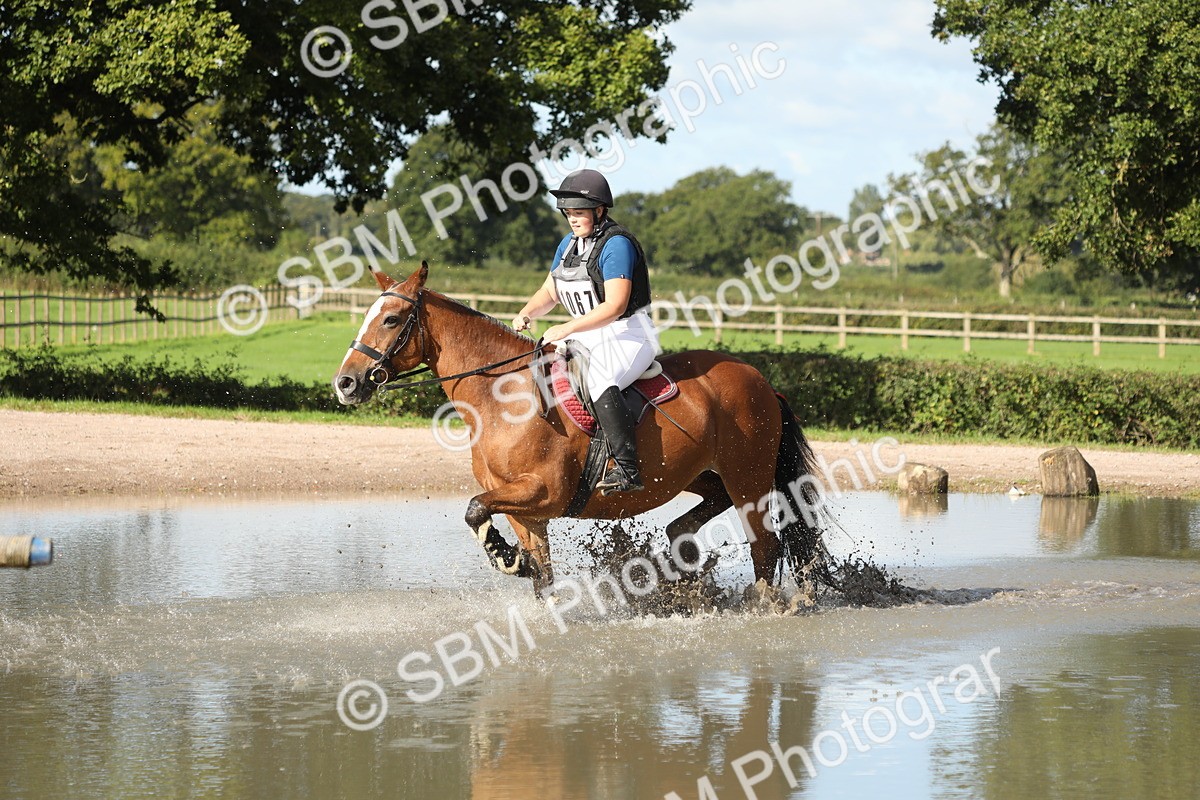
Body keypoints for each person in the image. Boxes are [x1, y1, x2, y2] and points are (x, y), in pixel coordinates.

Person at [512, 169, 659, 495]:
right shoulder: (568, 245)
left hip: (628, 334)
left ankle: (626, 468)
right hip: (590, 334)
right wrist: (527, 311)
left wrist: (567, 327)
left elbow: (616, 306)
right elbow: (549, 292)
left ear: (599, 210)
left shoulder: (616, 245)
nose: (572, 219)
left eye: (579, 212)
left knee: (599, 378)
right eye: (569, 213)